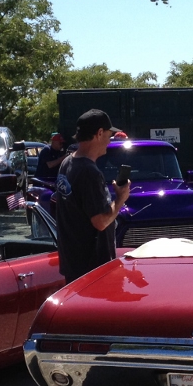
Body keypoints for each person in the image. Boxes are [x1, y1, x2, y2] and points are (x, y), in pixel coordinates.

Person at [54, 109, 131, 283]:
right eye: (109, 135)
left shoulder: (68, 162)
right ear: (99, 133)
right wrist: (120, 199)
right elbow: (101, 222)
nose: (110, 141)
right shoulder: (89, 172)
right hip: (92, 271)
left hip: (74, 265)